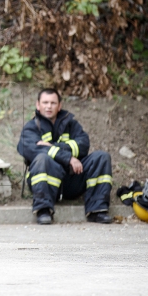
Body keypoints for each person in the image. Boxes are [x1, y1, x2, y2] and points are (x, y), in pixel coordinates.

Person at [17, 88, 113, 225]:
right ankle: (43, 210)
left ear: (59, 106)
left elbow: (83, 145)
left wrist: (52, 147)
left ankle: (97, 210)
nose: (49, 106)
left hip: (71, 179)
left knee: (101, 157)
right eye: (45, 102)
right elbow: (34, 151)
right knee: (42, 159)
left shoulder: (71, 124)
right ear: (38, 105)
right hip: (46, 185)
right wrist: (68, 158)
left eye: (53, 103)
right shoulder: (30, 128)